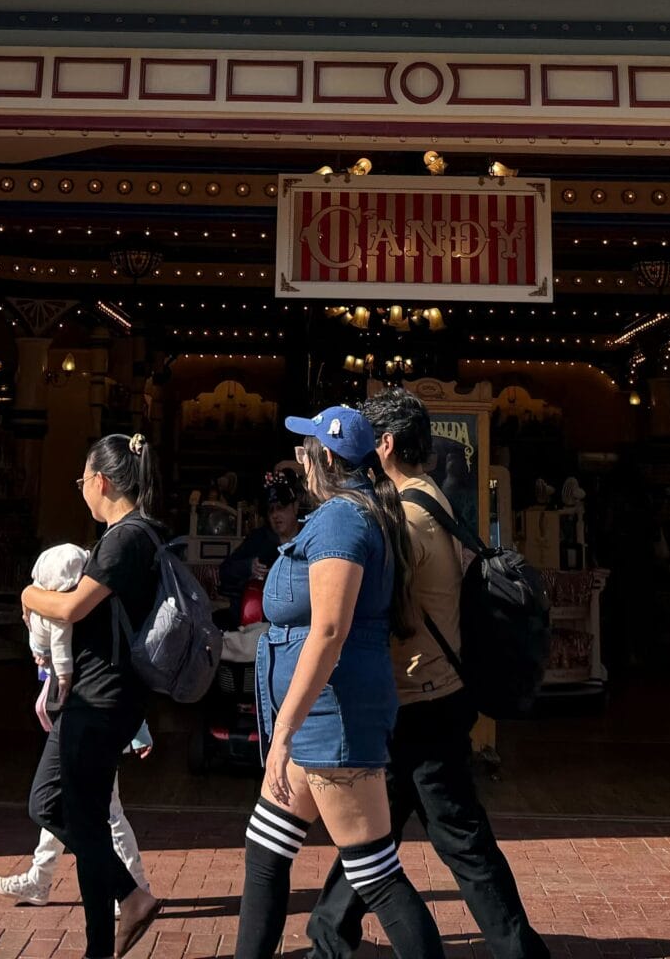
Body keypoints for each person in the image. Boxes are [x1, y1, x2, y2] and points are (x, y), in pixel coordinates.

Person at [305, 388, 549, 959]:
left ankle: (518, 949)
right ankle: (329, 936)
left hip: (419, 699)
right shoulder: (434, 501)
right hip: (439, 693)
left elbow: (372, 614)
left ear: (385, 445)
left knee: (449, 840)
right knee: (376, 833)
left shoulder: (403, 520)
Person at [232, 404, 446, 959]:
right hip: (322, 719)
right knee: (266, 848)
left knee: (375, 872)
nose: (300, 458)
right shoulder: (354, 511)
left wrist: (283, 733)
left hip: (331, 720)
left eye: (306, 448)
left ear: (325, 456)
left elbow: (328, 631)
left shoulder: (340, 520)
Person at [19, 434, 168, 957]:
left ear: (100, 481)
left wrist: (28, 594)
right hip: (107, 697)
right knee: (62, 809)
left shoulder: (124, 540)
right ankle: (126, 902)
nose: (81, 488)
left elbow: (70, 608)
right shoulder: (143, 534)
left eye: (82, 479)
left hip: (100, 698)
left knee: (69, 812)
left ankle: (108, 933)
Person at [0, 539, 154, 908]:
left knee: (102, 810)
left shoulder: (87, 612)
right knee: (68, 804)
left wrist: (139, 729)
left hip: (92, 721)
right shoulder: (78, 611)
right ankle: (42, 876)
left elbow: (114, 674)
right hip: (76, 718)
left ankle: (132, 888)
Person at [217, 473, 306, 605]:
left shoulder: (309, 534)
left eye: (281, 508)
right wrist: (249, 567)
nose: (275, 515)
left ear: (295, 507)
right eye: (271, 510)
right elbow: (225, 570)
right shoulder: (259, 538)